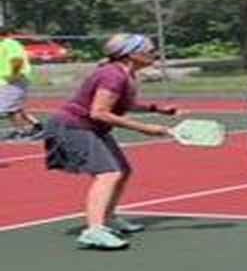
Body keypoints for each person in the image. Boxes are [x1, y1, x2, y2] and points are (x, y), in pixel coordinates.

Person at [43, 34, 180, 250]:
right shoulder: (112, 75)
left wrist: (156, 109)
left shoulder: (125, 74)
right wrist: (146, 128)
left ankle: (107, 218)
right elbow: (99, 112)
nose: (154, 53)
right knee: (108, 173)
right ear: (132, 54)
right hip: (73, 126)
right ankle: (94, 231)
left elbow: (120, 103)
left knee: (122, 171)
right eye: (149, 50)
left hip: (91, 127)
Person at [0, 35, 43, 141]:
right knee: (14, 106)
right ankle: (37, 125)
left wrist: (13, 76)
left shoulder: (10, 44)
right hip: (6, 80)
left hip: (14, 80)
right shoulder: (3, 44)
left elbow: (17, 60)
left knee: (10, 109)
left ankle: (20, 132)